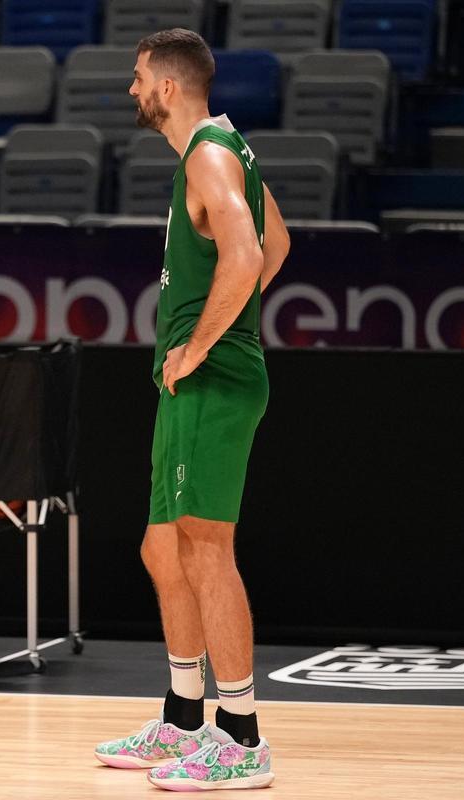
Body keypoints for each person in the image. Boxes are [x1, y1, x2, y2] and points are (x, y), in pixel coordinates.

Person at [93, 29, 291, 792]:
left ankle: (240, 737)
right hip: (199, 379)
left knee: (206, 549)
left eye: (139, 76)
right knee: (162, 548)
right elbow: (278, 243)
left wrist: (205, 343)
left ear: (168, 87)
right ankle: (183, 720)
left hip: (210, 378)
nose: (133, 89)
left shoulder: (209, 155)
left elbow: (247, 257)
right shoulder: (220, 149)